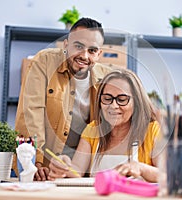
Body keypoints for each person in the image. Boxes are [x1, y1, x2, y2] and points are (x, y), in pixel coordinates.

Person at [15, 17, 113, 181]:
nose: (84, 55)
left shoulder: (106, 76)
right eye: (78, 46)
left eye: (92, 50)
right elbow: (31, 112)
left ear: (99, 54)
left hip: (80, 174)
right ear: (66, 44)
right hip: (42, 168)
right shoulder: (44, 61)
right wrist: (35, 162)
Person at [48, 68, 161, 182]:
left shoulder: (152, 130)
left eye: (122, 99)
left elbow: (167, 175)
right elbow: (77, 170)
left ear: (137, 102)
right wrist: (62, 166)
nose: (113, 106)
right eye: (107, 99)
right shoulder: (93, 130)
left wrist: (141, 168)